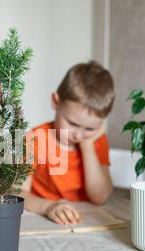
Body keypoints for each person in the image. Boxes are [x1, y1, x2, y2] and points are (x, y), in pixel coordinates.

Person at [21, 60, 115, 225]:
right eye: (72, 124)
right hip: (41, 216)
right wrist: (48, 207)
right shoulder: (36, 139)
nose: (79, 135)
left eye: (90, 128)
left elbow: (100, 197)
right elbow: (16, 193)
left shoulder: (96, 141)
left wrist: (87, 146)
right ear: (56, 102)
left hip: (84, 220)